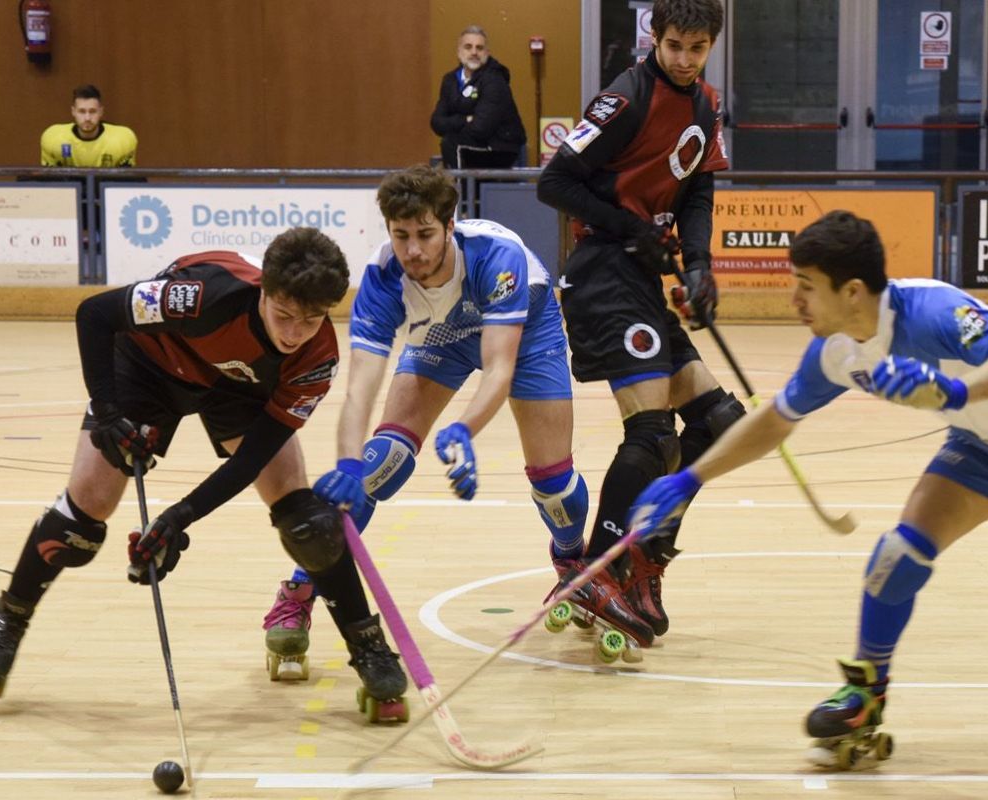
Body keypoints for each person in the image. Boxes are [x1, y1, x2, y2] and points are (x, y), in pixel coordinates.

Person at [627, 210, 988, 767]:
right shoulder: (835, 351)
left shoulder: (932, 313)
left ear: (852, 291)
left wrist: (955, 392)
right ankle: (866, 694)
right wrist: (689, 478)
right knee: (896, 556)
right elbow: (777, 420)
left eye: (807, 288)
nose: (795, 302)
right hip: (987, 451)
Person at [0, 228, 413, 724]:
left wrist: (179, 517)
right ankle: (11, 616)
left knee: (309, 522)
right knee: (84, 517)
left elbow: (248, 462)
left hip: (237, 389)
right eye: (283, 315)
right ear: (264, 291)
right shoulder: (203, 294)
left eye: (310, 320)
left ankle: (368, 646)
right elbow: (94, 313)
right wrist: (109, 415)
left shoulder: (316, 357)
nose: (293, 334)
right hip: (149, 365)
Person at [260, 164, 594, 674]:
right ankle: (299, 589)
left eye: (424, 235)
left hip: (526, 333)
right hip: (442, 337)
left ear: (449, 224)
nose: (412, 250)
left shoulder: (496, 257)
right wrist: (349, 465)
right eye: (400, 236)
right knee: (380, 464)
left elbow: (500, 368)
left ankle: (572, 560)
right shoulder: (381, 279)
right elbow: (361, 390)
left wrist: (463, 429)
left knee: (553, 483)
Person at [534, 0, 739, 651]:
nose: (682, 58)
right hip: (602, 270)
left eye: (696, 48)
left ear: (711, 46)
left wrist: (700, 265)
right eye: (674, 45)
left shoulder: (706, 106)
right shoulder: (625, 98)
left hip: (643, 274)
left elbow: (699, 189)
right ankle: (595, 569)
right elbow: (555, 182)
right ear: (656, 37)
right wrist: (633, 229)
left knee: (717, 423)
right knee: (651, 433)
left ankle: (647, 554)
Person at [429, 26, 527, 169]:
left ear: (487, 53)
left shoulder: (494, 80)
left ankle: (462, 191)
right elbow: (436, 122)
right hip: (471, 145)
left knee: (451, 142)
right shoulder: (450, 80)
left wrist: (452, 123)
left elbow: (481, 128)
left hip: (501, 148)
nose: (474, 52)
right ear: (459, 51)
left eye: (479, 48)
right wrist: (465, 119)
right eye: (468, 47)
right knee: (450, 143)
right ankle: (459, 189)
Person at [40, 84, 137, 167]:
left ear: (101, 112)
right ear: (73, 111)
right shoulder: (53, 138)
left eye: (92, 111)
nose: (87, 118)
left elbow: (125, 185)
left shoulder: (123, 139)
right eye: (82, 111)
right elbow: (50, 184)